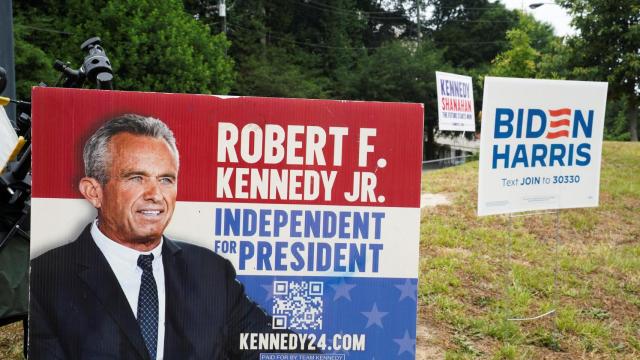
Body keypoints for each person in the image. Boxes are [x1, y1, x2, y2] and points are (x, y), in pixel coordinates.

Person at [29, 114, 276, 359]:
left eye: (166, 179)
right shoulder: (44, 278)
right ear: (94, 192)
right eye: (136, 178)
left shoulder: (211, 271)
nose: (155, 195)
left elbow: (277, 348)